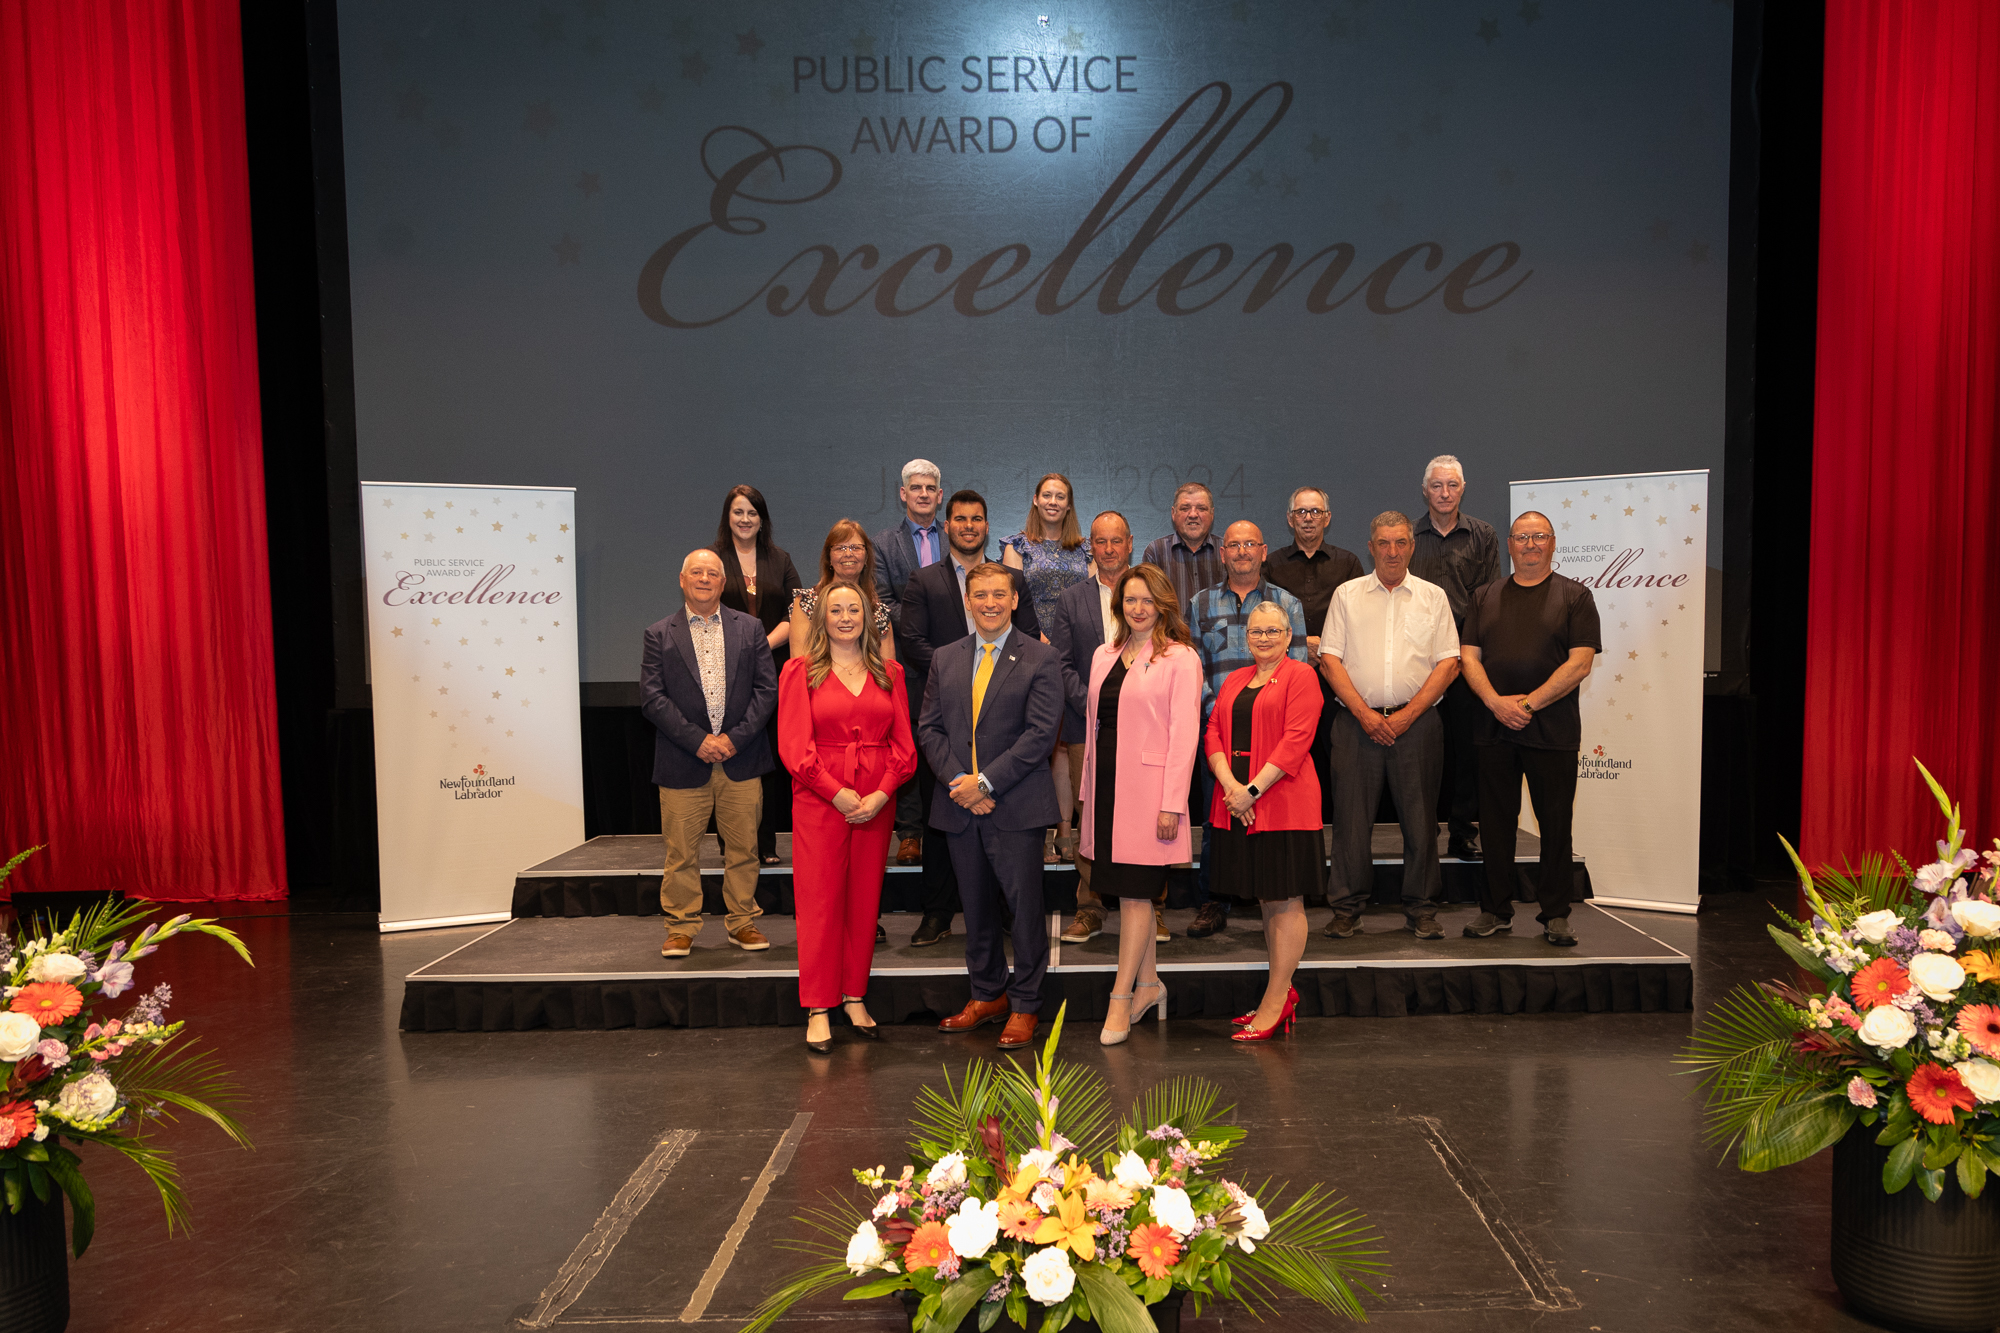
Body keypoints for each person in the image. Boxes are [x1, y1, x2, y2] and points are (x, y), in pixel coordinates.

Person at [920, 562, 1064, 1051]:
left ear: (1015, 599)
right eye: (980, 594)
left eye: (999, 594)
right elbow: (930, 728)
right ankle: (987, 994)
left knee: (1024, 911)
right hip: (959, 804)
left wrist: (985, 783)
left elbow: (1040, 735)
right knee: (975, 908)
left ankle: (1026, 1004)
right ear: (967, 600)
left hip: (1016, 805)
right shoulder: (946, 657)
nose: (990, 603)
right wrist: (959, 784)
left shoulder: (1041, 657)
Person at [896, 491, 1042, 946]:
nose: (968, 526)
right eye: (960, 519)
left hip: (1004, 717)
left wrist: (990, 671)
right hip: (946, 713)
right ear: (947, 525)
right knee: (943, 820)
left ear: (986, 525)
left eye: (977, 519)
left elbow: (1029, 635)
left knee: (1001, 818)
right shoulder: (924, 580)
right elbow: (911, 640)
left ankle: (1004, 910)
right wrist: (958, 668)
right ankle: (937, 912)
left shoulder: (1011, 579)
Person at [777, 582, 917, 1051]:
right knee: (820, 903)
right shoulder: (800, 672)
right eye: (835, 609)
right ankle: (819, 1006)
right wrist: (836, 793)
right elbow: (794, 747)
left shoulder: (889, 672)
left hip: (876, 801)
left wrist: (881, 793)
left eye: (853, 609)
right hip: (820, 800)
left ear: (867, 617)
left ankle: (854, 996)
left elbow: (904, 746)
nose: (844, 617)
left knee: (863, 901)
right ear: (822, 618)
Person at [1456, 511, 1600, 947]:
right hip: (1493, 727)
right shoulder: (1484, 596)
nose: (1531, 544)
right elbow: (1468, 657)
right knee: (1495, 825)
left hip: (1552, 731)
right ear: (1509, 545)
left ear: (1553, 543)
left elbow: (1580, 662)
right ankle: (1494, 910)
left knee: (1555, 825)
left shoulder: (1576, 596)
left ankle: (1555, 913)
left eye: (1539, 536)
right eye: (1522, 537)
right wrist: (1495, 703)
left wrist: (1527, 704)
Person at [1318, 512, 1461, 940]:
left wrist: (1406, 715)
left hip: (1417, 725)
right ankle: (1346, 908)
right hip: (1355, 724)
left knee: (1421, 822)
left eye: (1401, 542)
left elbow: (1448, 663)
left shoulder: (1433, 597)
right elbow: (1330, 660)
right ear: (1371, 547)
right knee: (1350, 822)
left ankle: (1422, 908)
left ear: (1412, 547)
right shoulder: (1347, 595)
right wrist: (1366, 715)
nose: (1392, 551)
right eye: (1384, 543)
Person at [1081, 564, 1203, 1046]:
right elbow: (1094, 728)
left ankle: (1120, 996)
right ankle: (1150, 985)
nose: (1138, 608)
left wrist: (1172, 803)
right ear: (1119, 604)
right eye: (1130, 600)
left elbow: (1184, 736)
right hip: (1107, 791)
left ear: (1163, 605)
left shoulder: (1181, 658)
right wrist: (1087, 792)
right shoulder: (1103, 654)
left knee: (1134, 896)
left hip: (1151, 796)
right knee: (1131, 894)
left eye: (1147, 600)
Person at [640, 549, 778, 958]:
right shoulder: (658, 633)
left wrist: (734, 738)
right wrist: (698, 740)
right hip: (683, 761)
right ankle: (681, 927)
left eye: (712, 573)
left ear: (723, 582)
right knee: (681, 853)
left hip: (742, 758)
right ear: (682, 580)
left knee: (744, 850)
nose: (704, 579)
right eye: (696, 572)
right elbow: (652, 698)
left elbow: (766, 690)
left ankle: (742, 922)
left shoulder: (750, 628)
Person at [1203, 601, 1325, 1041]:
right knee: (1267, 900)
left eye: (1274, 631)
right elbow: (1213, 732)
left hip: (1284, 803)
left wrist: (1250, 791)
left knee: (1286, 900)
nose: (1264, 638)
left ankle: (1275, 1002)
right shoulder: (1235, 679)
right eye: (1256, 631)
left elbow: (1296, 740)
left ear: (1289, 636)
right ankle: (1279, 993)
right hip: (1240, 802)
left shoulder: (1302, 676)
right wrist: (1232, 787)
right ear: (1245, 637)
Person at [1185, 522, 1310, 939]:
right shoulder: (1201, 603)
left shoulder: (1287, 604)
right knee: (1216, 819)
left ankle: (1269, 900)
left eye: (1250, 544)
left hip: (1273, 736)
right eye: (1234, 545)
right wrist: (1217, 715)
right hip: (1219, 733)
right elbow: (1192, 666)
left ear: (1263, 550)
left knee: (1268, 818)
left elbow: (1298, 668)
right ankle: (1214, 900)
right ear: (1222, 553)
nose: (1242, 551)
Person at [1048, 511, 1161, 945]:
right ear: (1089, 547)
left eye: (1117, 541)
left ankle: (1153, 907)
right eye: (1100, 541)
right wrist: (1091, 704)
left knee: (1147, 814)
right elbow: (1061, 662)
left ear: (1130, 542)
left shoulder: (1150, 592)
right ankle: (1090, 905)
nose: (1109, 549)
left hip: (1146, 729)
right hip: (1087, 727)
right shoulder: (1071, 599)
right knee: (1091, 817)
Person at [1410, 455, 1501, 862]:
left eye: (1452, 485)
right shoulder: (1408, 537)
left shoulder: (1483, 535)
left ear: (1463, 489)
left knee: (1467, 750)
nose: (1444, 493)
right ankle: (1421, 831)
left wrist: (1469, 653)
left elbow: (1489, 598)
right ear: (1424, 490)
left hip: (1466, 659)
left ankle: (1462, 832)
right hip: (1418, 660)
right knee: (1421, 751)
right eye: (1437, 485)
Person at [1262, 487, 1365, 839]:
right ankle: (1295, 831)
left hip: (1336, 679)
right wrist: (1300, 644)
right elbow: (1262, 620)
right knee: (1290, 756)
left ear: (1327, 518)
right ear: (1290, 519)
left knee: (1336, 757)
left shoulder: (1348, 563)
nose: (1308, 518)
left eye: (1316, 512)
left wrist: (1328, 646)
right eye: (1301, 512)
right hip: (1286, 679)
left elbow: (1361, 619)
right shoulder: (1272, 565)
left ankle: (1339, 834)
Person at [1003, 472, 1093, 865]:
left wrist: (1064, 648)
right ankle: (1038, 832)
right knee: (1038, 747)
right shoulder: (1017, 546)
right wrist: (1041, 641)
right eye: (1047, 495)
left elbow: (1094, 603)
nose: (1053, 502)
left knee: (1067, 748)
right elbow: (1011, 600)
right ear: (1036, 500)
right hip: (1031, 654)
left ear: (1069, 504)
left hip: (1076, 658)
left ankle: (1066, 831)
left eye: (1061, 496)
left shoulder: (1086, 549)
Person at [714, 485, 804, 865]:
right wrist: (744, 649)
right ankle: (733, 844)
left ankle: (766, 844)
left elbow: (796, 611)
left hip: (773, 670)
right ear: (728, 517)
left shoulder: (779, 559)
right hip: (726, 671)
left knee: (769, 756)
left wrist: (761, 645)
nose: (745, 519)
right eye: (738, 512)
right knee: (735, 755)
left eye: (752, 512)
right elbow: (706, 608)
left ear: (762, 519)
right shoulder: (714, 559)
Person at [876, 460, 947, 867]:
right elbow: (884, 601)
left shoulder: (956, 537)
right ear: (903, 494)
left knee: (946, 745)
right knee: (908, 748)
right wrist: (924, 630)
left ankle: (943, 829)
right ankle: (909, 834)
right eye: (915, 487)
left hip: (953, 660)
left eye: (930, 488)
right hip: (905, 660)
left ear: (940, 495)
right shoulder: (884, 544)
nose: (923, 494)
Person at [790, 520, 898, 664]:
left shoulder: (879, 611)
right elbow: (800, 665)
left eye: (855, 548)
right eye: (840, 548)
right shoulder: (806, 603)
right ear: (829, 558)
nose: (848, 554)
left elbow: (889, 670)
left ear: (866, 557)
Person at [1140, 481, 1223, 615]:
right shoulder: (1156, 552)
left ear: (1212, 514)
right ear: (1173, 513)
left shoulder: (1227, 550)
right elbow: (1147, 605)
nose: (1193, 515)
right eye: (1185, 508)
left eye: (1201, 508)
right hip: (1170, 629)